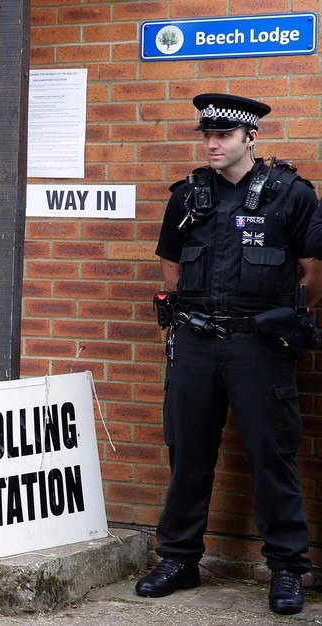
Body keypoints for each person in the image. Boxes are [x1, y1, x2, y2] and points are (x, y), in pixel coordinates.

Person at [139, 93, 321, 615]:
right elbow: (170, 269)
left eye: (222, 135)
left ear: (250, 138)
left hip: (260, 347)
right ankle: (179, 559)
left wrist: (283, 318)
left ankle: (286, 568)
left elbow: (313, 274)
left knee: (272, 455)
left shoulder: (291, 194)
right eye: (206, 136)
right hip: (195, 343)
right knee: (188, 453)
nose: (212, 144)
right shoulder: (188, 195)